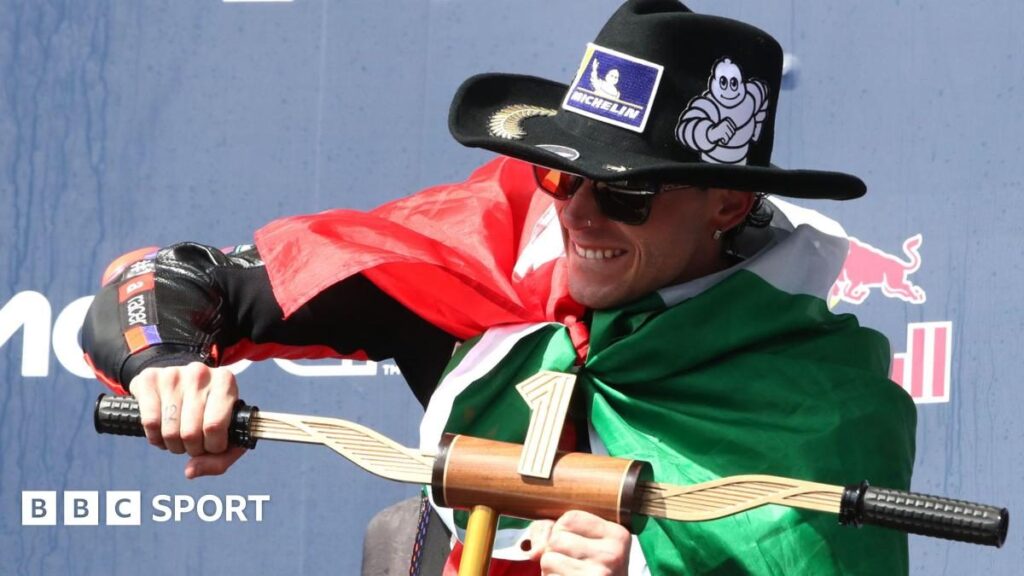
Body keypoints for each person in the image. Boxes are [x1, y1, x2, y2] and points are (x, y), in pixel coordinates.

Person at [82, 1, 917, 574]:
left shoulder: (824, 401)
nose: (582, 215)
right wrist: (165, 370)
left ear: (727, 204)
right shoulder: (488, 249)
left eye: (628, 191)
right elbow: (166, 280)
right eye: (564, 177)